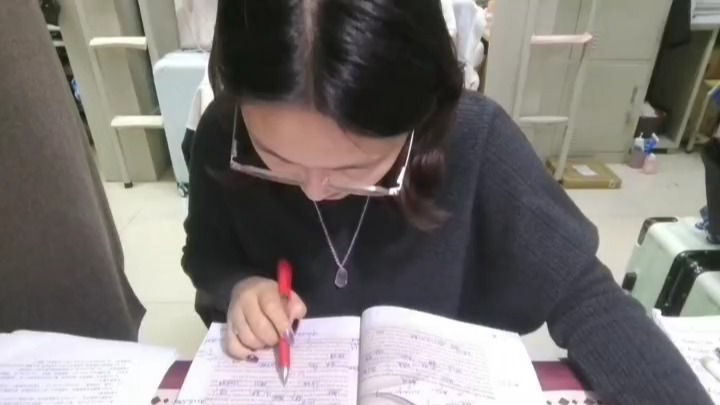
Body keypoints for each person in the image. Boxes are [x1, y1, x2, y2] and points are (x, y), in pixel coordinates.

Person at [181, 0, 712, 403]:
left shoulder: (476, 141)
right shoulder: (224, 137)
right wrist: (239, 286)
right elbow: (205, 256)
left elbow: (586, 299)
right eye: (276, 159)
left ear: (420, 114)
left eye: (355, 169)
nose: (315, 190)